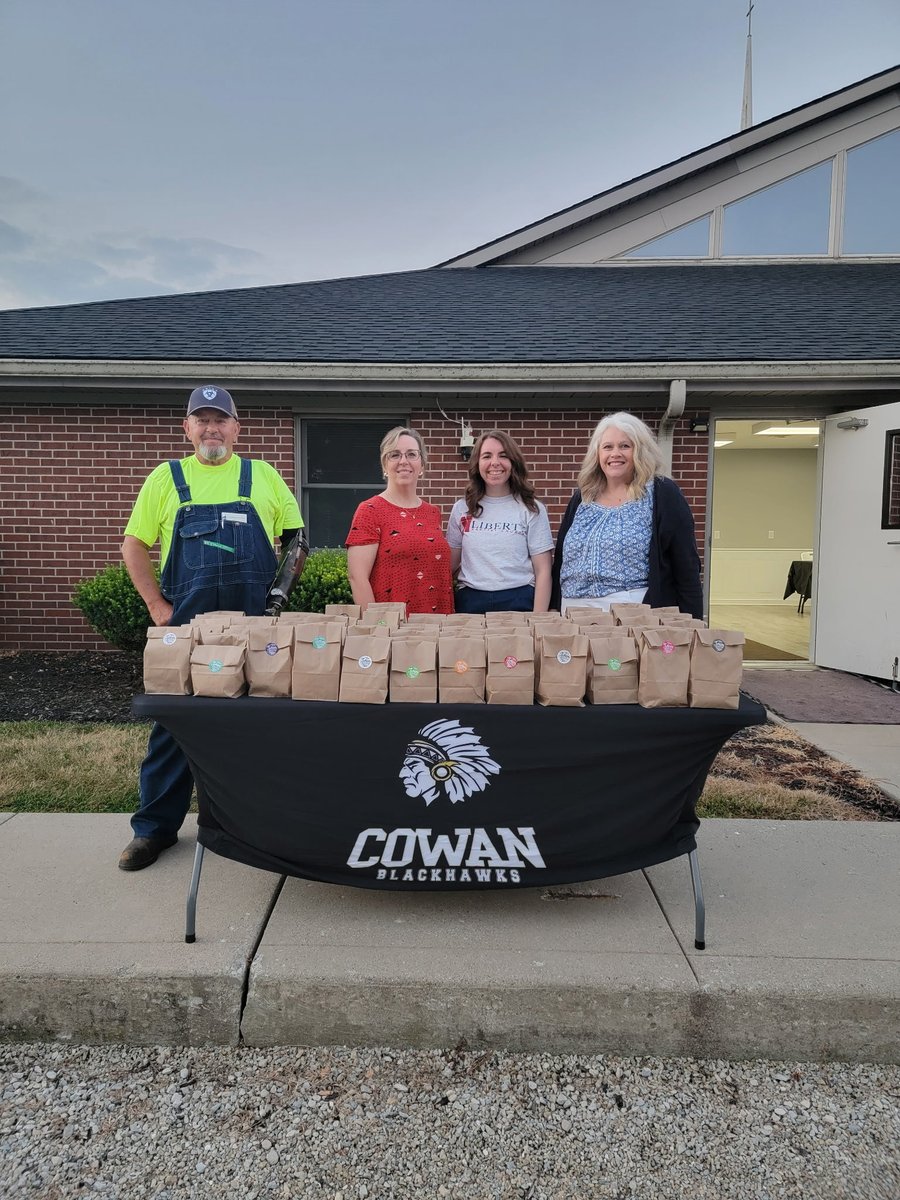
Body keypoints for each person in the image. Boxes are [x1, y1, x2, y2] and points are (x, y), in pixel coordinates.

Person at [118, 385, 302, 871]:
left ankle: (262, 826)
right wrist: (157, 605)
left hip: (253, 625)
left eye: (220, 419)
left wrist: (279, 598)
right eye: (202, 420)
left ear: (236, 428)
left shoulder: (262, 475)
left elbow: (297, 541)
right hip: (186, 628)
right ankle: (153, 829)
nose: (211, 428)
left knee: (259, 721)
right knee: (174, 722)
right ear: (187, 428)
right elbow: (134, 544)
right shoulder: (166, 478)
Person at [550, 412, 703, 617]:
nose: (615, 453)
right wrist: (553, 605)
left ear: (641, 451)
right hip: (573, 613)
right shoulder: (582, 497)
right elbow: (561, 559)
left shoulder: (662, 493)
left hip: (632, 615)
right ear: (597, 454)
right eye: (607, 447)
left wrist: (692, 623)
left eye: (625, 446)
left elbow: (686, 567)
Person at [345, 426, 453, 615]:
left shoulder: (432, 513)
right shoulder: (370, 511)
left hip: (438, 623)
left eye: (411, 454)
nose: (404, 461)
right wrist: (378, 624)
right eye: (395, 455)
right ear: (384, 465)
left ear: (422, 465)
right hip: (393, 625)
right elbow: (357, 577)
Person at [446, 430, 553, 614]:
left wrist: (538, 619)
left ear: (513, 462)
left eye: (503, 456)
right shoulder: (462, 508)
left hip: (519, 601)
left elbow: (543, 570)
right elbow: (449, 565)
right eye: (487, 456)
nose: (495, 463)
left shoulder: (531, 508)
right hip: (470, 602)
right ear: (477, 463)